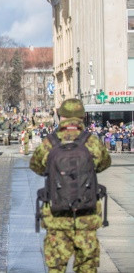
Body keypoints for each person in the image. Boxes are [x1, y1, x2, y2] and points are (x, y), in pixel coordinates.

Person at [30, 98, 111, 273]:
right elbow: (105, 163)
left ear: (62, 117)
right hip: (86, 216)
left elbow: (36, 166)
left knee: (56, 267)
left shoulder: (49, 142)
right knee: (87, 267)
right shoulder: (91, 142)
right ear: (82, 117)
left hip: (56, 217)